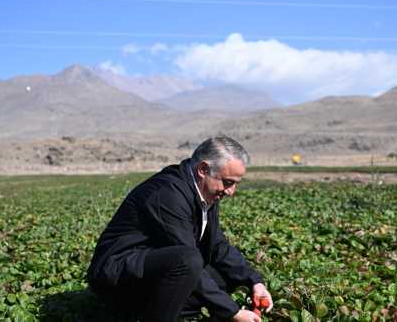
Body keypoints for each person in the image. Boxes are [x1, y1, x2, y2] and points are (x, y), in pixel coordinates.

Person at [87, 136, 273, 321]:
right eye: (228, 182)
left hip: (150, 267)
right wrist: (233, 312)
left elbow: (218, 245)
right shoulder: (167, 195)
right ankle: (140, 313)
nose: (231, 192)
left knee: (222, 278)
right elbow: (187, 258)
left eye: (235, 184)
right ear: (203, 170)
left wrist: (254, 281)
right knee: (189, 261)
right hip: (118, 277)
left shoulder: (206, 192)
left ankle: (149, 310)